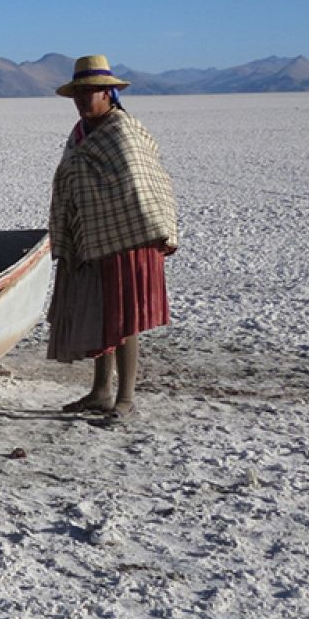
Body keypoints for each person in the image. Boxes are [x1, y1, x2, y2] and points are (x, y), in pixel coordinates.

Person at [47, 55, 178, 420]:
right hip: (90, 235)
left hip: (127, 235)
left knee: (124, 317)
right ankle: (101, 391)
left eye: (90, 92)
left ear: (109, 93)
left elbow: (141, 183)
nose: (83, 100)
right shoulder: (79, 134)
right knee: (101, 313)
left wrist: (141, 226)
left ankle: (126, 398)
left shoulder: (122, 131)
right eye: (78, 93)